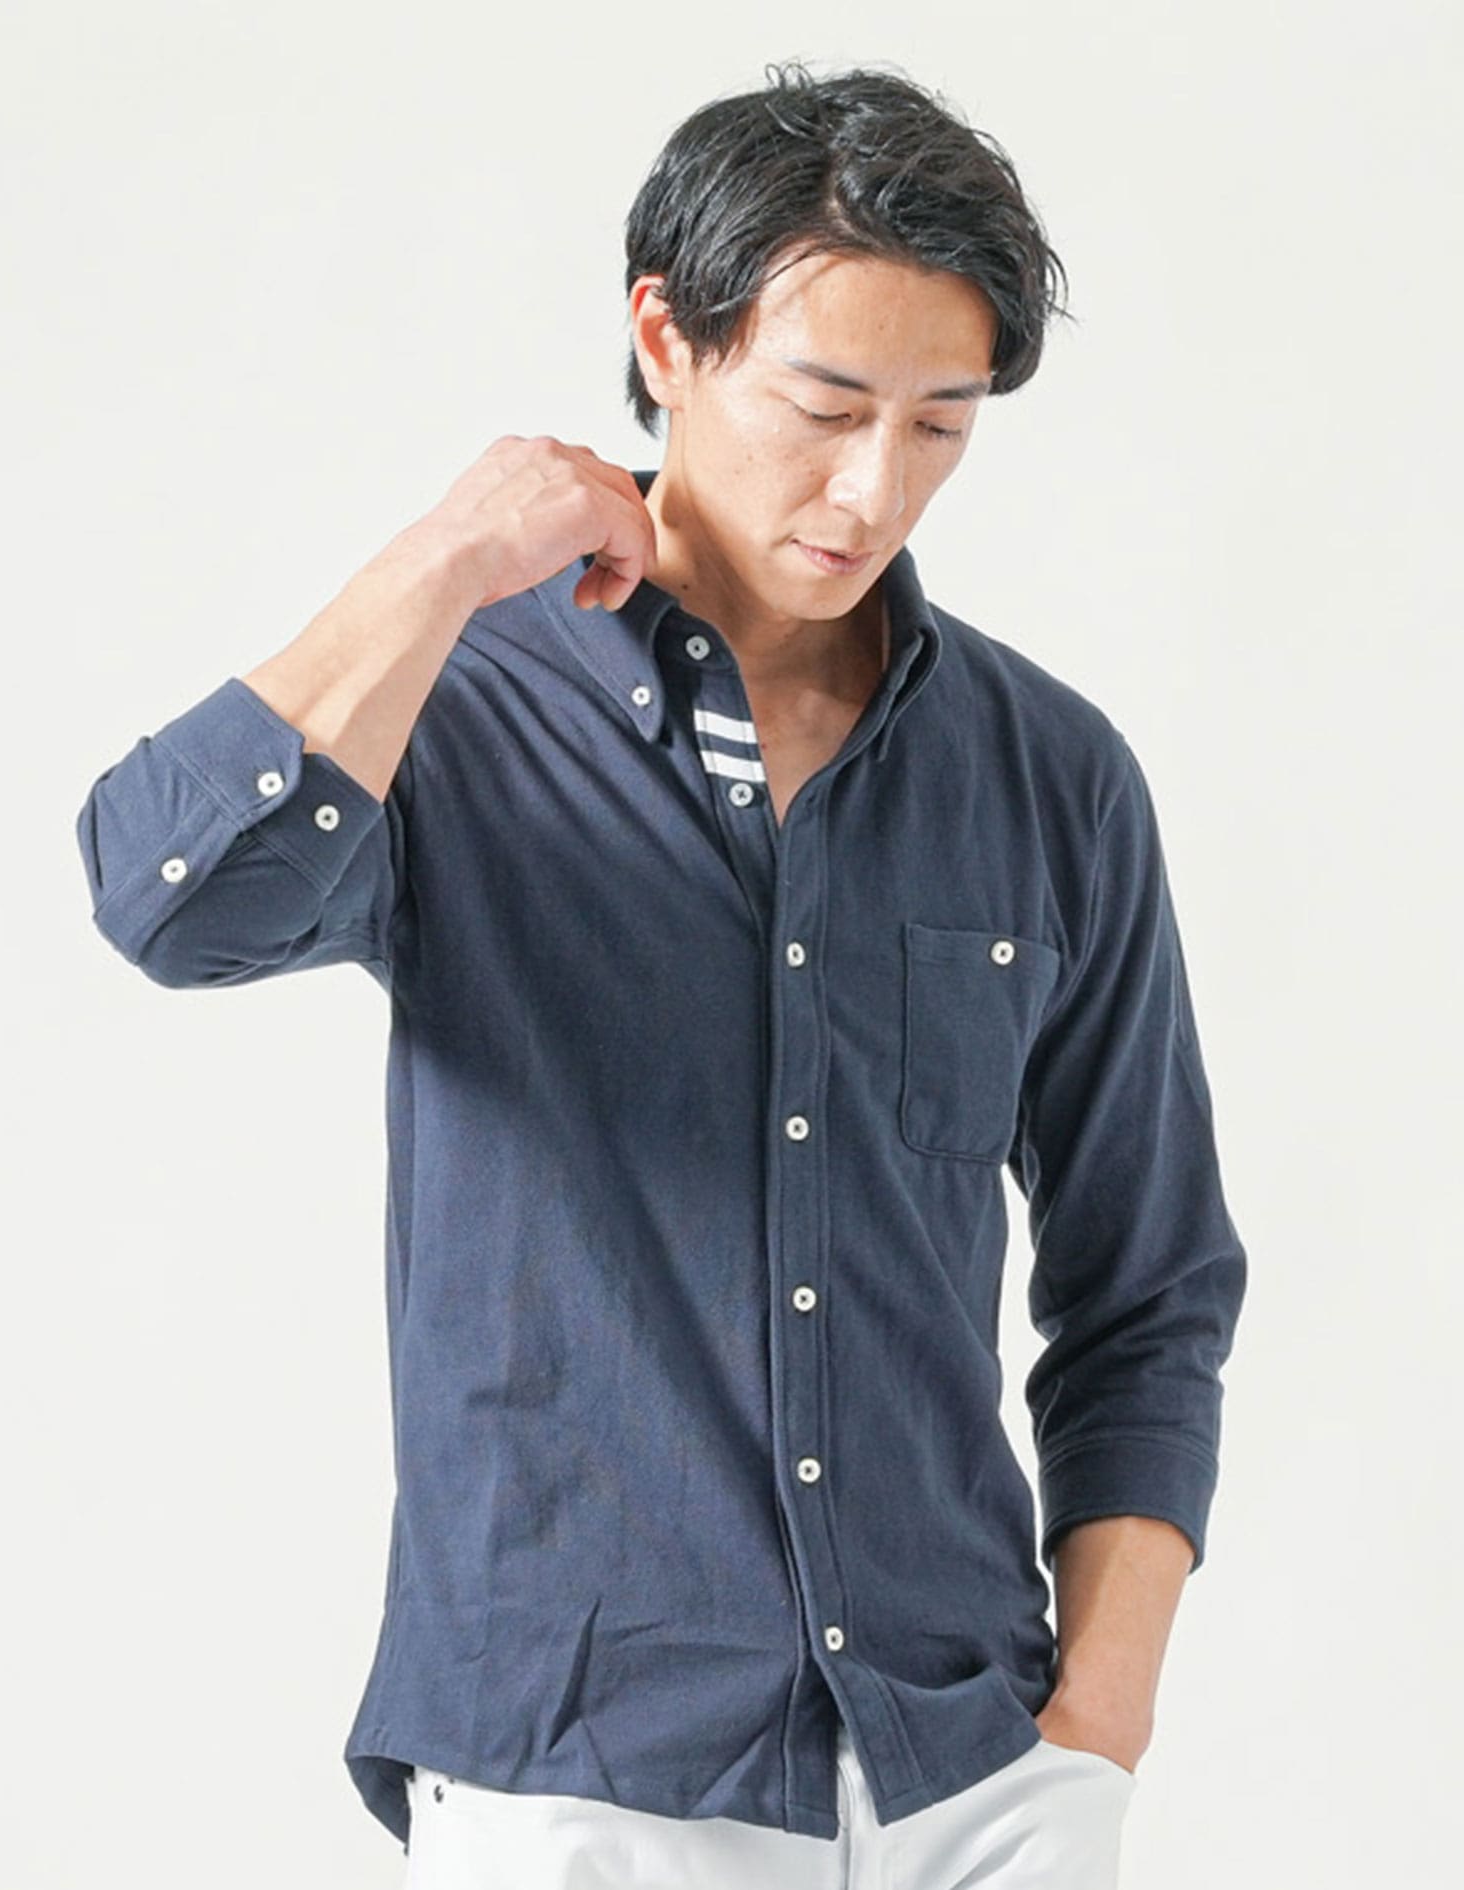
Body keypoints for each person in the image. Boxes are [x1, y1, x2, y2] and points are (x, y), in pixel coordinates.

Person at [74, 59, 1247, 1890]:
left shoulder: (1049, 774)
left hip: (972, 1769)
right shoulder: (453, 712)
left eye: (940, 425)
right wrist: (452, 554)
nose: (874, 487)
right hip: (587, 1768)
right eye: (827, 405)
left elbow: (1150, 1283)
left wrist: (1098, 1714)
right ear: (667, 339)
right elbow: (168, 902)